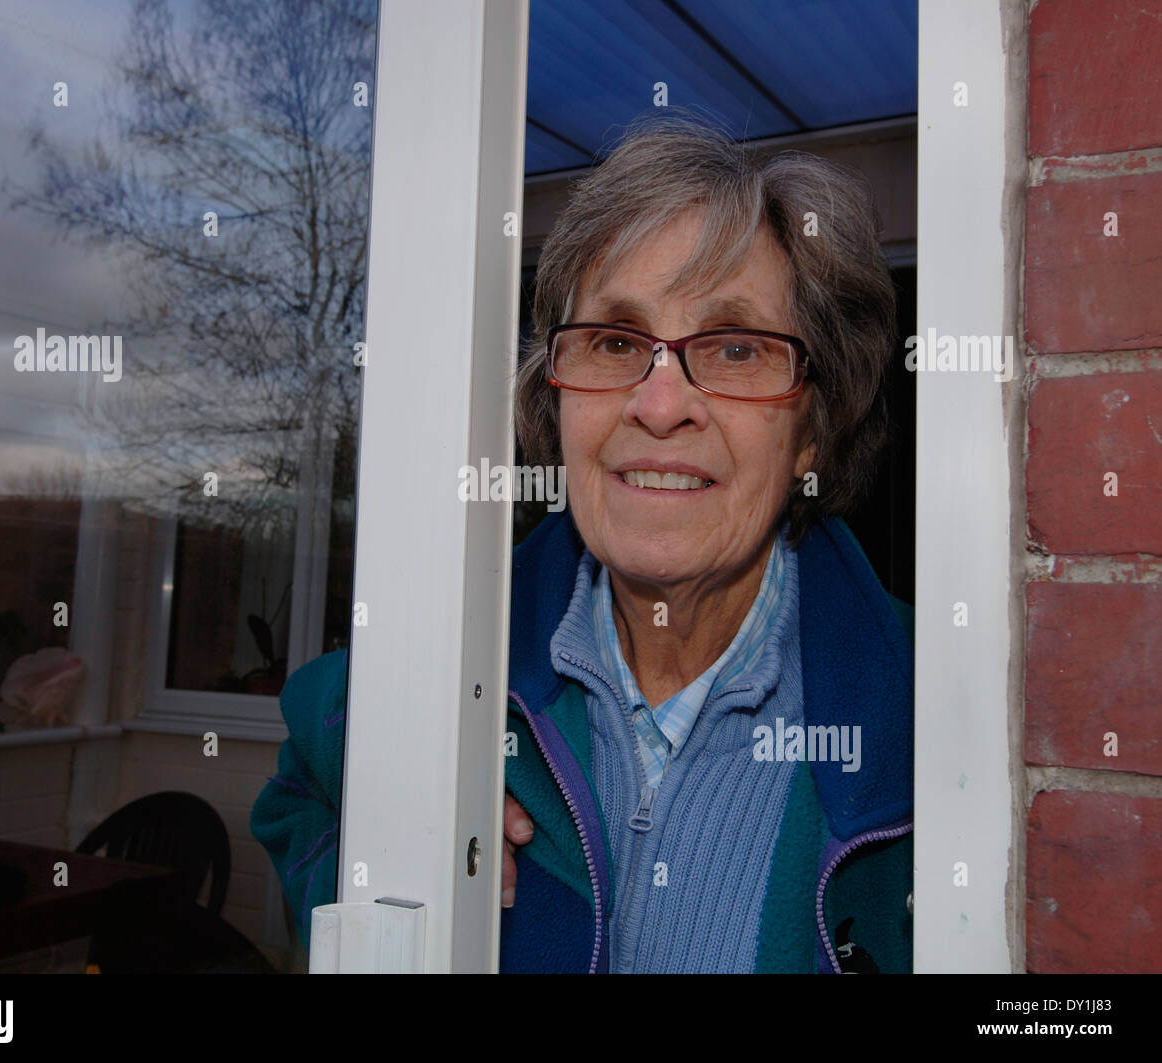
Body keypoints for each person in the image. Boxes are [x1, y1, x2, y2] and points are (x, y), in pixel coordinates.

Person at [252, 115, 912, 973]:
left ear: (813, 431)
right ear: (554, 400)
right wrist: (400, 825)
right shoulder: (462, 659)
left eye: (737, 346)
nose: (660, 403)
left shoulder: (930, 711)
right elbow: (299, 789)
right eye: (614, 341)